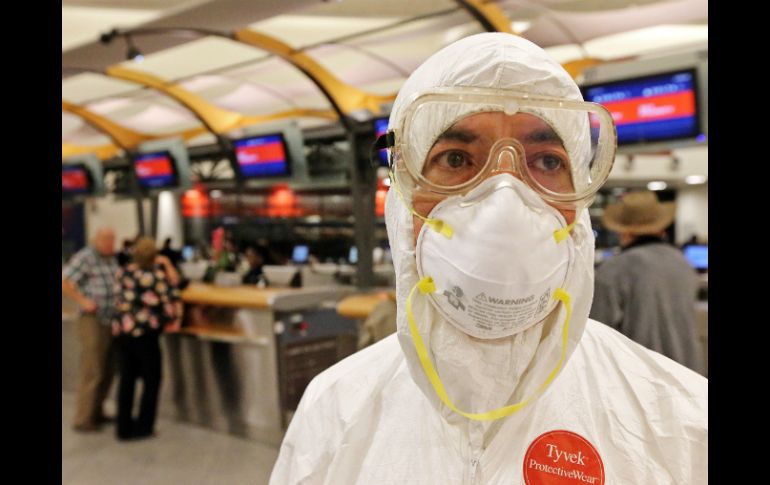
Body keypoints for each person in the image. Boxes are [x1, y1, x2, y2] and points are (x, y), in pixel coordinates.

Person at [269, 33, 707, 484]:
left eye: (547, 162)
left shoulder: (683, 426)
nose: (504, 202)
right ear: (404, 194)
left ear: (578, 200)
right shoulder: (336, 409)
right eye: (457, 159)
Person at [589, 190, 705, 374]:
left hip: (642, 377)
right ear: (661, 228)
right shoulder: (683, 263)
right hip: (690, 373)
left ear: (624, 231)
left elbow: (597, 333)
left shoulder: (614, 270)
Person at [111, 237, 182, 440]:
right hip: (146, 335)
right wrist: (167, 264)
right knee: (152, 380)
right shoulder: (155, 276)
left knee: (127, 380)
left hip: (123, 333)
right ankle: (144, 426)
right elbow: (171, 297)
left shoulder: (122, 273)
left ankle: (123, 427)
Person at [62, 227, 120, 432]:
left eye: (113, 240)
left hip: (110, 318)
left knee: (108, 368)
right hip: (92, 320)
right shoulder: (85, 257)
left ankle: (97, 411)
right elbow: (65, 281)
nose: (111, 244)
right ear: (97, 240)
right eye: (107, 240)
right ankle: (83, 418)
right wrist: (83, 301)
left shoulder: (111, 259)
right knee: (92, 368)